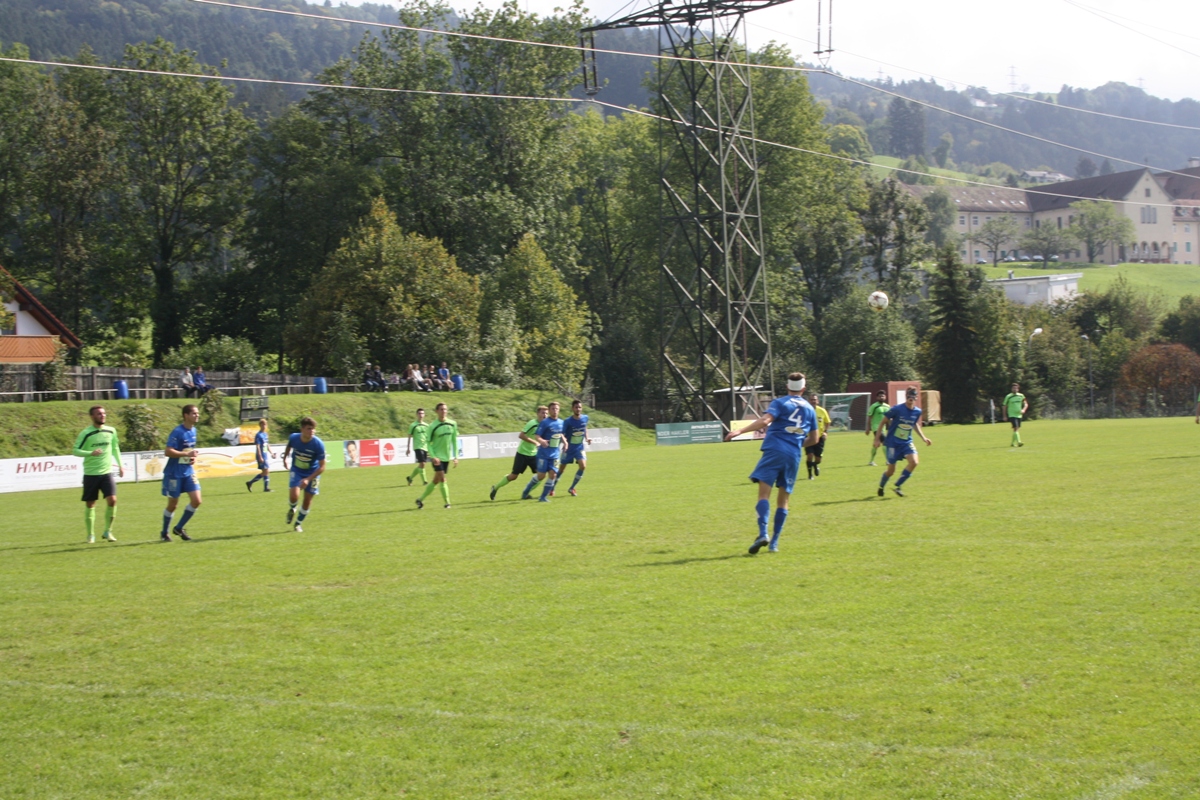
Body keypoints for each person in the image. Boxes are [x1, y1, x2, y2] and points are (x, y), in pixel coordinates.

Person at [723, 372, 818, 554]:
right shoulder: (810, 409)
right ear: (804, 389)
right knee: (784, 500)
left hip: (774, 450)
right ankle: (774, 543)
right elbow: (814, 439)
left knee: (763, 495)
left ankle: (763, 533)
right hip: (793, 455)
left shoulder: (780, 403)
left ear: (787, 387)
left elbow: (765, 420)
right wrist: (794, 444)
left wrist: (740, 431)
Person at [73, 405, 124, 543]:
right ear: (92, 416)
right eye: (99, 414)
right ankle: (90, 534)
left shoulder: (111, 431)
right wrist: (91, 453)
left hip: (106, 473)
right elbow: (75, 450)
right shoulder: (86, 433)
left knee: (113, 500)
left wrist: (120, 465)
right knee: (90, 504)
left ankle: (108, 531)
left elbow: (115, 448)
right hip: (91, 473)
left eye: (104, 413)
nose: (102, 415)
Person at [875, 386, 933, 498]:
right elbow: (883, 422)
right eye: (909, 395)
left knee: (914, 462)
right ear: (906, 396)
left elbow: (914, 424)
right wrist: (876, 439)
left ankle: (898, 486)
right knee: (891, 471)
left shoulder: (917, 411)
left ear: (916, 397)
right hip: (892, 443)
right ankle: (881, 486)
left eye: (913, 395)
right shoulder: (897, 409)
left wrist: (923, 438)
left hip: (906, 442)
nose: (911, 397)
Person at [161, 404, 202, 541]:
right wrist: (186, 454)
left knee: (197, 501)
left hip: (188, 472)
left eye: (197, 413)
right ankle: (164, 533)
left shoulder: (194, 431)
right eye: (194, 413)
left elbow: (187, 452)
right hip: (174, 473)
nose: (197, 415)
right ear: (186, 415)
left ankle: (179, 528)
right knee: (173, 505)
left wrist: (191, 458)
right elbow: (168, 451)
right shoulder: (178, 432)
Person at [490, 406, 547, 500]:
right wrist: (535, 442)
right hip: (522, 453)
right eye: (542, 413)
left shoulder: (545, 425)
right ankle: (495, 487)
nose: (545, 415)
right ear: (538, 414)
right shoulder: (532, 423)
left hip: (534, 454)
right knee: (513, 476)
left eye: (546, 413)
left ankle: (526, 493)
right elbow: (521, 435)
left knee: (541, 475)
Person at [283, 416, 326, 532]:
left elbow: (322, 467)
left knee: (307, 500)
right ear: (302, 429)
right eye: (309, 429)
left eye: (313, 429)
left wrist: (308, 479)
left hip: (313, 473)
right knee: (294, 496)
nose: (312, 431)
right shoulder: (294, 437)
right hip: (297, 470)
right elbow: (289, 446)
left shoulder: (318, 444)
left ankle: (298, 524)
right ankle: (293, 508)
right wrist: (285, 458)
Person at [416, 402, 458, 509]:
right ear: (436, 411)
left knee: (436, 481)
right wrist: (433, 456)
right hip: (437, 458)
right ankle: (447, 503)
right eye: (441, 409)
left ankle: (420, 500)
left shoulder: (452, 424)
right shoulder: (432, 426)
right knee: (443, 479)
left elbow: (454, 441)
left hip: (446, 457)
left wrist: (456, 457)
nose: (443, 411)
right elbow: (428, 443)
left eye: (445, 409)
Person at [524, 401, 565, 502]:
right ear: (550, 410)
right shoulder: (545, 422)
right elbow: (537, 435)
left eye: (556, 409)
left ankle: (543, 497)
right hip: (543, 454)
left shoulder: (561, 422)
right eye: (553, 409)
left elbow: (561, 434)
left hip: (555, 454)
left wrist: (565, 442)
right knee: (541, 476)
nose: (555, 411)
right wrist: (542, 441)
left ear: (559, 410)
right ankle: (526, 491)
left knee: (553, 474)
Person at [560, 400, 592, 496]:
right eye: (576, 407)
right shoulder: (567, 421)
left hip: (579, 448)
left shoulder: (585, 418)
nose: (578, 409)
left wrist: (587, 438)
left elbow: (584, 428)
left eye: (579, 407)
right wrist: (565, 443)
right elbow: (562, 433)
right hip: (568, 449)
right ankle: (551, 488)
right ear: (572, 408)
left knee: (583, 466)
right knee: (561, 469)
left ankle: (572, 488)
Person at [805, 391, 831, 480]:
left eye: (815, 400)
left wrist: (825, 432)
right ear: (809, 401)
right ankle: (810, 475)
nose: (813, 401)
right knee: (810, 455)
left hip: (819, 438)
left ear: (818, 401)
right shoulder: (805, 411)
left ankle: (815, 465)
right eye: (811, 400)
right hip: (808, 437)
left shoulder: (822, 411)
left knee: (818, 459)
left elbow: (827, 422)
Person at [245, 418, 274, 492]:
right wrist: (260, 456)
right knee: (266, 471)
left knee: (265, 471)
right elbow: (257, 446)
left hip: (265, 455)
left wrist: (271, 453)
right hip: (261, 455)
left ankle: (251, 483)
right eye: (263, 424)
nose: (264, 426)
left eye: (265, 424)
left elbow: (267, 445)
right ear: (260, 425)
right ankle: (265, 487)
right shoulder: (258, 435)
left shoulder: (265, 434)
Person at [405, 408, 431, 486]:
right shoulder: (413, 425)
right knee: (422, 463)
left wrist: (430, 446)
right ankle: (425, 481)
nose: (421, 415)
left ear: (424, 415)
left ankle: (410, 478)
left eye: (422, 413)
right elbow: (409, 436)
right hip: (417, 447)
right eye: (419, 413)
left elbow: (428, 437)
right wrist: (408, 448)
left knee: (422, 465)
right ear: (417, 415)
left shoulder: (427, 425)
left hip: (425, 446)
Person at [865, 390, 889, 466]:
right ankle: (888, 461)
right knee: (885, 442)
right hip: (876, 427)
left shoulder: (887, 406)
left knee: (876, 444)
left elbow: (889, 418)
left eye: (883, 396)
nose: (881, 397)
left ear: (885, 397)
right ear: (877, 398)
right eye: (880, 396)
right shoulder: (874, 406)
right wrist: (868, 428)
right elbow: (869, 417)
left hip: (883, 428)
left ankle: (871, 461)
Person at [1003, 383, 1029, 447]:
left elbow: (1026, 404)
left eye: (1016, 388)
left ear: (1018, 389)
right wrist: (1004, 416)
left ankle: (1012, 443)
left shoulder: (1021, 396)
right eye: (1013, 388)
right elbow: (1004, 406)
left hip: (1019, 415)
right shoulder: (1008, 396)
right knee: (1016, 428)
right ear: (1011, 389)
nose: (1015, 389)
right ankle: (1019, 442)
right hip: (1012, 414)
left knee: (1016, 429)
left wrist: (1023, 410)